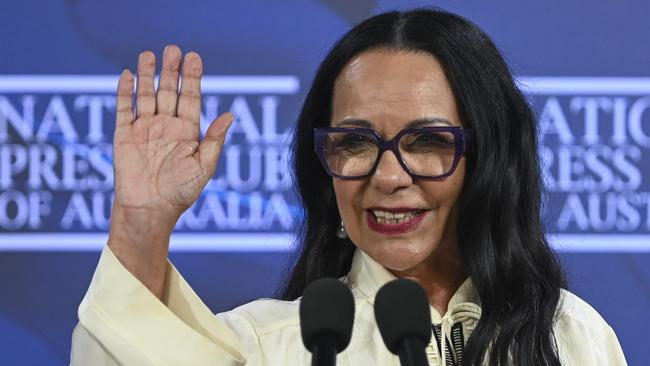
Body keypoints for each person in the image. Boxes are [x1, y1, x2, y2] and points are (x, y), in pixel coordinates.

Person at [70, 8, 627, 366]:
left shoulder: (572, 337)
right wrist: (140, 223)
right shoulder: (266, 346)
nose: (388, 177)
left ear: (488, 160)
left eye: (428, 141)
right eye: (356, 144)